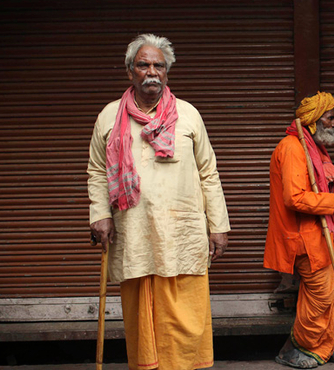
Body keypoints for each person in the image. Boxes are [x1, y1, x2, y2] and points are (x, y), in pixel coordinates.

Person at [87, 33, 230, 370]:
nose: (151, 71)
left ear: (167, 73)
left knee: (186, 317)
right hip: (134, 231)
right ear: (129, 72)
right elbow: (96, 170)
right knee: (141, 316)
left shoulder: (188, 115)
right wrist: (99, 215)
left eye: (158, 65)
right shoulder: (109, 117)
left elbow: (209, 172)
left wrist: (218, 226)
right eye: (143, 64)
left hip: (182, 233)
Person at [264, 92, 334, 368]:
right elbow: (294, 198)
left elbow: (318, 186)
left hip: (330, 233)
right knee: (321, 297)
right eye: (331, 118)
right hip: (306, 238)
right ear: (314, 121)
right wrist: (333, 201)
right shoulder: (293, 148)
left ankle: (326, 346)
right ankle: (290, 349)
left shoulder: (316, 148)